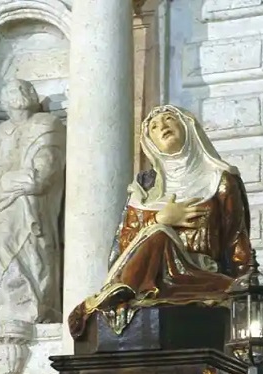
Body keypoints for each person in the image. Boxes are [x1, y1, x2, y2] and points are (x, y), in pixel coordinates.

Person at [68, 103, 251, 339]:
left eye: (168, 119)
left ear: (187, 125)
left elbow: (236, 240)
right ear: (149, 142)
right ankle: (122, 293)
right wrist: (160, 218)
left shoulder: (220, 180)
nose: (162, 127)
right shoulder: (144, 190)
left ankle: (118, 295)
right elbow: (124, 249)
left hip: (199, 277)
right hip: (152, 279)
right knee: (159, 233)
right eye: (153, 127)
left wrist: (248, 289)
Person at [0, 78, 66, 323]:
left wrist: (2, 185)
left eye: (25, 88)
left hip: (31, 208)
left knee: (33, 253)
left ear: (34, 96)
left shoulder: (48, 125)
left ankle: (34, 307)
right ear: (3, 101)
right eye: (12, 90)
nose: (19, 93)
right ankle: (4, 310)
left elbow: (40, 178)